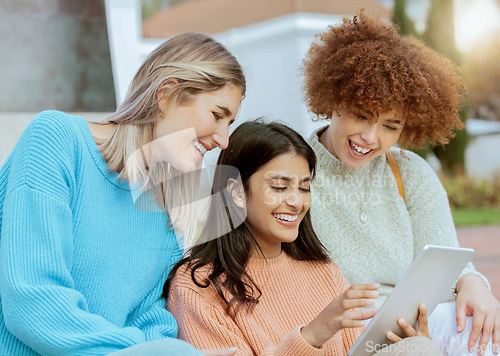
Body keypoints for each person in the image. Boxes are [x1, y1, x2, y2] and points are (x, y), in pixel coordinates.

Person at [0, 32, 244, 355]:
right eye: (217, 115)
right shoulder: (56, 141)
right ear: (167, 94)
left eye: (230, 123)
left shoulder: (161, 211)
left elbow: (152, 323)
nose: (224, 141)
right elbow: (32, 301)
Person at [302, 11, 500, 356]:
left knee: (485, 329)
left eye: (390, 126)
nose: (370, 137)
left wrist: (474, 283)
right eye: (361, 115)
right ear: (334, 101)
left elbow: (448, 259)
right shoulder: (293, 166)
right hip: (336, 330)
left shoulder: (409, 171)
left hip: (410, 319)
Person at [165, 120, 444, 355]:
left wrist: (411, 346)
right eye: (279, 186)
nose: (296, 202)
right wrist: (312, 335)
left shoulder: (323, 272)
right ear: (236, 192)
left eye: (304, 188)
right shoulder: (199, 286)